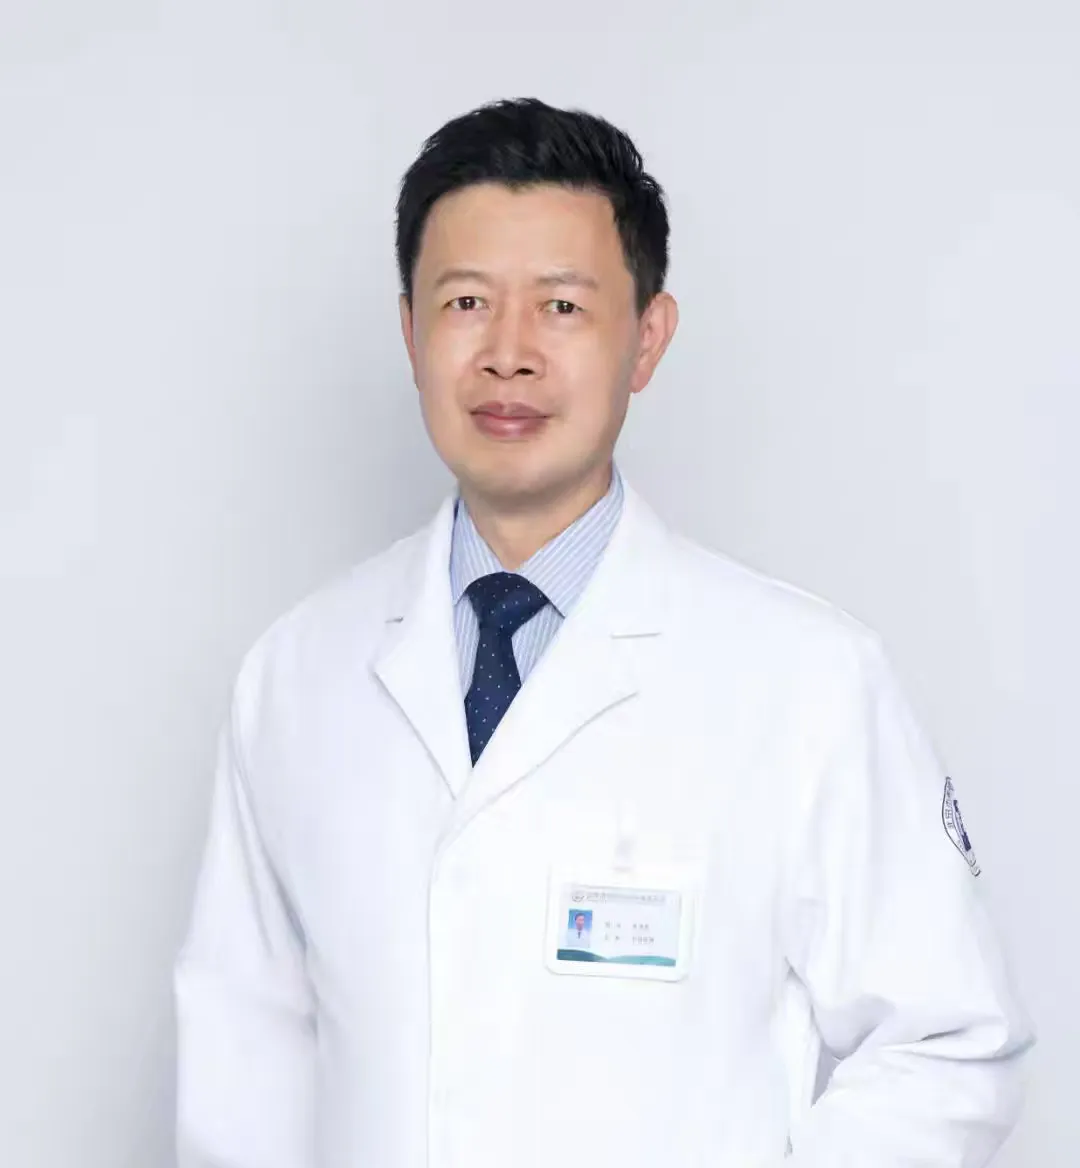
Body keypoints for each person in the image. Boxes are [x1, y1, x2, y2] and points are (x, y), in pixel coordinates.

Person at [174, 97, 1032, 1168]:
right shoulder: (296, 674)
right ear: (410, 332)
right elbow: (245, 1065)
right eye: (466, 302)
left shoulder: (806, 680)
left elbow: (948, 1044)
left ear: (647, 339)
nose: (509, 354)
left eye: (563, 306)